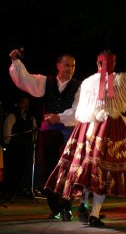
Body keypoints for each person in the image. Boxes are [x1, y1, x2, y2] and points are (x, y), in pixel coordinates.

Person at [44, 45, 126, 227]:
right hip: (108, 130)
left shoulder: (89, 83)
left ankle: (86, 205)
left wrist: (60, 117)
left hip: (87, 130)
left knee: (89, 170)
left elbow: (76, 111)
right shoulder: (118, 80)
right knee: (103, 171)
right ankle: (92, 212)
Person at [8, 49, 80, 220]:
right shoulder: (45, 82)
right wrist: (16, 61)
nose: (70, 69)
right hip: (48, 133)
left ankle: (66, 207)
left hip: (68, 133)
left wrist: (60, 117)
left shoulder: (79, 87)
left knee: (67, 170)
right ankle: (55, 208)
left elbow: (78, 110)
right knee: (47, 171)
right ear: (58, 66)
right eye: (67, 65)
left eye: (73, 66)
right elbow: (25, 80)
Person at [1, 95, 37, 198]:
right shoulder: (12, 116)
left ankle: (21, 189)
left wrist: (33, 141)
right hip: (15, 147)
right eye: (24, 103)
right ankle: (11, 190)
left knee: (24, 168)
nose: (26, 105)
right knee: (13, 169)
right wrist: (8, 144)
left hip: (26, 147)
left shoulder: (31, 117)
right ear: (19, 103)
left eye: (28, 103)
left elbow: (35, 131)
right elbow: (7, 132)